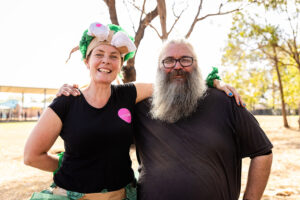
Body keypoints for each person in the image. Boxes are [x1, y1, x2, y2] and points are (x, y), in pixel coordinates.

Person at [24, 22, 153, 200]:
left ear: (121, 64)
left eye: (114, 56)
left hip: (120, 195)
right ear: (87, 61)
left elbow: (164, 86)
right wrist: (69, 165)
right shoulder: (67, 101)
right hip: (75, 196)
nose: (106, 60)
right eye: (99, 54)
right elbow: (31, 156)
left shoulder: (128, 94)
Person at [133, 39, 273, 200]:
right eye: (169, 61)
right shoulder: (141, 106)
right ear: (159, 67)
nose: (177, 66)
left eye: (185, 59)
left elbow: (263, 153)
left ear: (197, 65)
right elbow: (111, 97)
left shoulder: (226, 101)